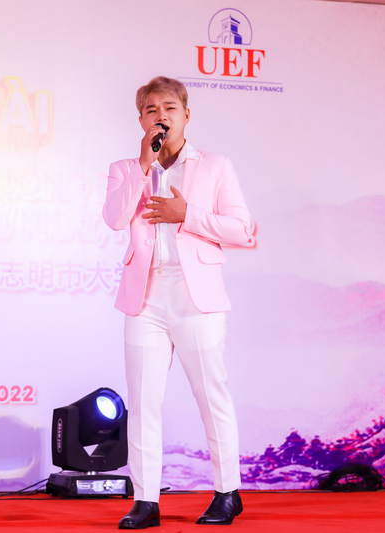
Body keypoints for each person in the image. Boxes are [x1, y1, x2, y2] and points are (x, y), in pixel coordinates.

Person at [103, 76, 256, 529]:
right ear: (141, 120)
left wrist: (186, 214)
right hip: (145, 296)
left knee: (212, 395)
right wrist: (142, 163)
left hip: (196, 296)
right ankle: (146, 500)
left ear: (186, 115)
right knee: (143, 401)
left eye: (170, 108)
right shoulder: (125, 168)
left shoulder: (215, 166)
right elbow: (115, 219)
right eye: (152, 110)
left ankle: (227, 493)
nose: (161, 116)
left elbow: (242, 230)